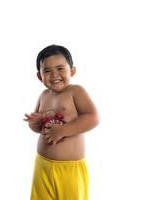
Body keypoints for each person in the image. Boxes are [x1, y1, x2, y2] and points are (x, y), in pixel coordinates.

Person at [24, 44, 99, 200]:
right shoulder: (44, 95)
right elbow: (36, 128)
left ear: (72, 71)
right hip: (42, 164)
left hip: (69, 169)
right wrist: (36, 121)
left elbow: (93, 117)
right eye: (47, 71)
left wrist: (62, 131)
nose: (54, 75)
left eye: (60, 69)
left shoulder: (75, 91)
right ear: (40, 76)